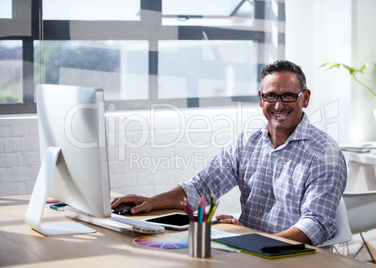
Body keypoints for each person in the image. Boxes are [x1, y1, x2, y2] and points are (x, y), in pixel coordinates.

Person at [111, 60, 347, 246]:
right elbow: (201, 188)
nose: (278, 105)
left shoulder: (324, 154)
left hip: (290, 256)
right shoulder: (246, 143)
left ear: (304, 98)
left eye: (288, 96)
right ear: (260, 99)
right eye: (271, 96)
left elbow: (315, 224)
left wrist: (257, 242)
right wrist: (151, 202)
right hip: (248, 248)